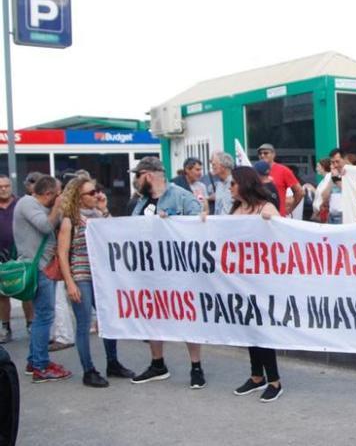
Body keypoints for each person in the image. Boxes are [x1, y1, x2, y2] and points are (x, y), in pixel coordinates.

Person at [128, 157, 207, 388]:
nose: (136, 180)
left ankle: (196, 366)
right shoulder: (141, 201)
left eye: (138, 175)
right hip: (150, 269)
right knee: (152, 315)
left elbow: (199, 223)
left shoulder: (180, 195)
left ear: (149, 175)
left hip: (178, 269)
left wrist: (173, 222)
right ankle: (157, 363)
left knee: (187, 314)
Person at [57, 176, 135, 387]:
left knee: (108, 319)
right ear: (79, 197)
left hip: (102, 277)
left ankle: (113, 362)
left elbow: (114, 236)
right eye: (91, 193)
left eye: (97, 191)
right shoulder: (70, 220)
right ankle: (88, 370)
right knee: (83, 324)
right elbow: (63, 254)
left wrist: (104, 209)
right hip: (81, 275)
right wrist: (70, 282)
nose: (96, 195)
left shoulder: (98, 216)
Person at [226, 167, 285, 402]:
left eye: (233, 183)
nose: (230, 187)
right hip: (241, 279)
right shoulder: (237, 209)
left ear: (244, 184)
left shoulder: (266, 208)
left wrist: (273, 224)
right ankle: (256, 376)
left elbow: (282, 239)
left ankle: (274, 380)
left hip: (262, 280)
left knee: (262, 329)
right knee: (250, 329)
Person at [13, 175, 72, 382]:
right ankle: (40, 365)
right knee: (44, 317)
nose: (59, 197)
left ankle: (34, 360)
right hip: (38, 268)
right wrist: (56, 207)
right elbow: (45, 226)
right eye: (56, 194)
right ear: (48, 194)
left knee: (43, 316)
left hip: (44, 267)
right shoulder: (28, 203)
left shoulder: (35, 205)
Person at [0, 174, 34, 342]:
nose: (4, 189)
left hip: (21, 253)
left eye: (6, 186)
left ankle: (31, 324)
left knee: (25, 291)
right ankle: (5, 327)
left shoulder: (21, 204)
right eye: (0, 187)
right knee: (2, 294)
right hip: (1, 256)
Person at [257, 143, 304, 215]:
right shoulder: (255, 170)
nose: (262, 155)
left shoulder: (283, 170)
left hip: (277, 216)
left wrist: (291, 208)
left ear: (273, 155)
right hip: (258, 216)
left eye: (266, 153)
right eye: (260, 154)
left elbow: (300, 192)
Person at [318, 148, 347, 224]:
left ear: (344, 159)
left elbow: (349, 192)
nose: (335, 165)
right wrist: (332, 179)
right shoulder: (330, 175)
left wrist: (336, 179)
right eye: (333, 162)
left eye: (337, 161)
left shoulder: (349, 174)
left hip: (345, 215)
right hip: (332, 215)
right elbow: (324, 197)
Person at [211, 151, 234, 216]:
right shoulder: (219, 185)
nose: (212, 167)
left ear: (223, 167)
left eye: (214, 164)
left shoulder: (236, 184)